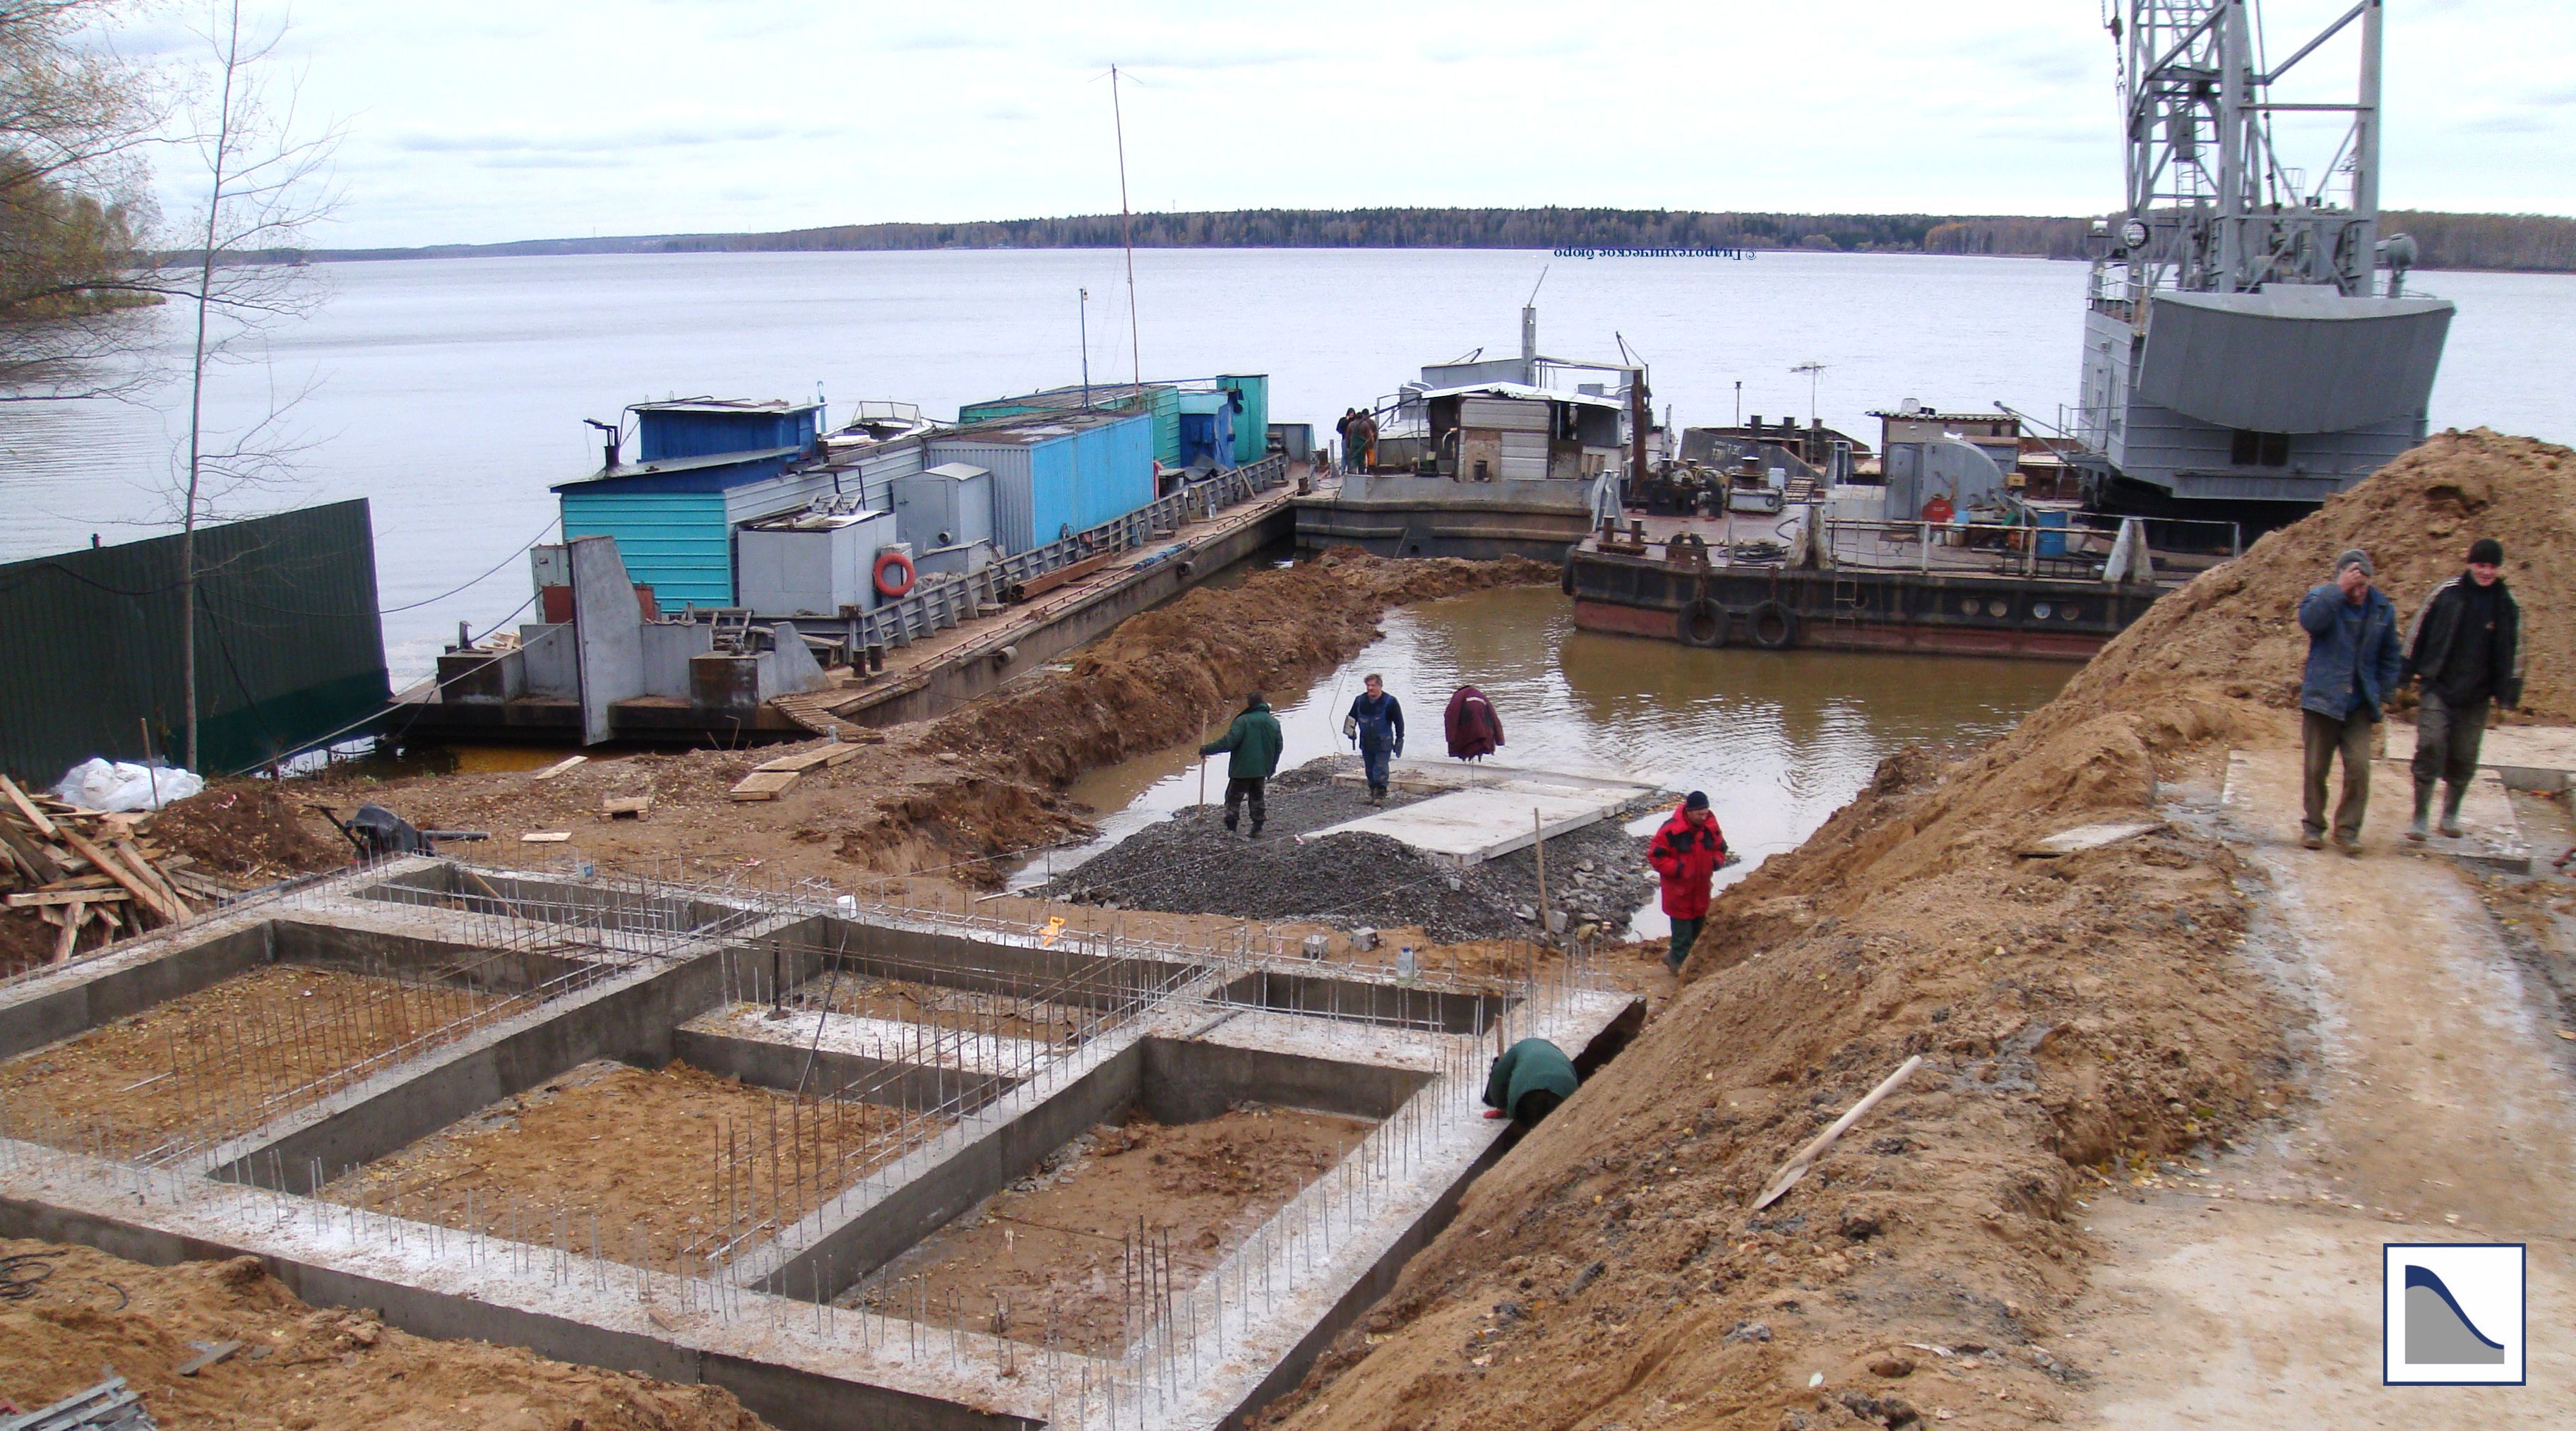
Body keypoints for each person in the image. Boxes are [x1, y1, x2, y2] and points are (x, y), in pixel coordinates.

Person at [2402, 537, 2523, 841]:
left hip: (2477, 695)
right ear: (2470, 564)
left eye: (2492, 566)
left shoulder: (2507, 605)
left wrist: (2509, 690)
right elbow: (2418, 631)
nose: (2486, 572)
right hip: (2438, 686)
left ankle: (2450, 814)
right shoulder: (2446, 594)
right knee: (2430, 744)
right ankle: (2420, 816)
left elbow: (2517, 649)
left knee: (2465, 755)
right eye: (2481, 565)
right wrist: (2405, 671)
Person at [2296, 549, 2405, 854]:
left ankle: (2348, 830)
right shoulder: (2321, 599)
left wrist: (2384, 693)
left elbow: (2390, 655)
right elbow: (2311, 622)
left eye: (2363, 586)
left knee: (2359, 769)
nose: (2359, 593)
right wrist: (2339, 591)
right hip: (2323, 700)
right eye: (2353, 585)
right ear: (2341, 578)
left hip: (2359, 703)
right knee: (2316, 768)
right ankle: (2313, 827)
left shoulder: (2382, 609)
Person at [1647, 791, 1727, 974]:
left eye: (1705, 812)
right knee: (1682, 933)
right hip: (1678, 891)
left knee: (1698, 929)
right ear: (1689, 812)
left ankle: (1679, 959)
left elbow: (1721, 848)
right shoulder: (1671, 830)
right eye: (1699, 813)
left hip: (1701, 889)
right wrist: (1679, 869)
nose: (1703, 816)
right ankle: (1679, 965)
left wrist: (1715, 862)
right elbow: (1656, 856)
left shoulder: (1711, 827)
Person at [1199, 691, 1284, 837]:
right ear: (1262, 703)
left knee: (1233, 798)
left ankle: (1231, 830)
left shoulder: (1242, 721)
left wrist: (1208, 749)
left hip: (1242, 770)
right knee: (1257, 797)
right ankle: (1257, 827)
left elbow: (1229, 742)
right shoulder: (1273, 722)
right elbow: (1279, 746)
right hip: (1261, 770)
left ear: (1249, 704)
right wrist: (1271, 767)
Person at [1481, 1036, 1578, 1126]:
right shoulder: (1554, 1051)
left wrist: (1501, 1106)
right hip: (1566, 1085)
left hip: (1531, 1094)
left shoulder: (1517, 1050)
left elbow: (1498, 1076)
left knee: (1533, 1121)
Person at [1344, 673, 1405, 803]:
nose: (1370, 688)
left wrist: (1400, 739)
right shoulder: (1360, 701)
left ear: (1380, 686)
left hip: (1384, 742)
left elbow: (1399, 721)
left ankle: (1380, 795)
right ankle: (1373, 793)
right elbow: (1351, 718)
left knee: (1380, 768)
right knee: (1369, 769)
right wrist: (1350, 732)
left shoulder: (1390, 702)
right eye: (1368, 685)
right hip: (1366, 742)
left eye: (1373, 685)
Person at [1443, 684, 1503, 760]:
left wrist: (1451, 739)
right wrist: (1499, 739)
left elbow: (1450, 715)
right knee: (1478, 743)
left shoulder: (1458, 696)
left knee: (1471, 742)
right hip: (1484, 733)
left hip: (1470, 729)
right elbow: (1494, 716)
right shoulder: (1482, 696)